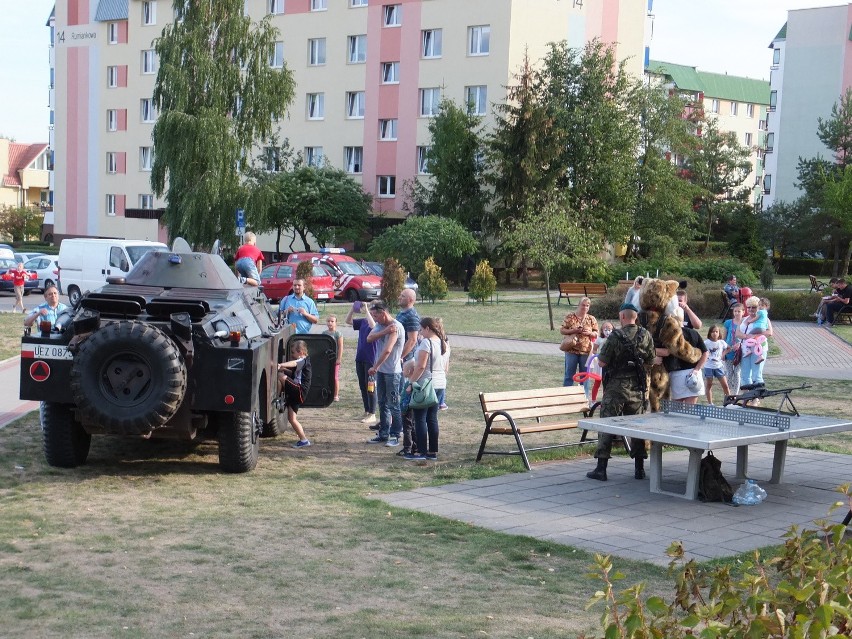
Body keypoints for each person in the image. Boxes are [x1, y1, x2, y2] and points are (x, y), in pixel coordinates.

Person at [586, 302, 655, 482]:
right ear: (636, 317)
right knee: (637, 428)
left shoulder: (615, 336)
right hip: (637, 389)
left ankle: (601, 469)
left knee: (607, 425)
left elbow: (601, 362)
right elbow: (650, 361)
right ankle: (639, 469)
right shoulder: (645, 335)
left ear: (622, 317)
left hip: (616, 388)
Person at [404, 317, 448, 462]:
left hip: (425, 384)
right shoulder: (444, 343)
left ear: (428, 328)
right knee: (432, 418)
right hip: (440, 383)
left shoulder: (426, 342)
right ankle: (432, 451)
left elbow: (421, 366)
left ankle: (421, 451)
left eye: (422, 329)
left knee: (420, 417)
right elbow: (446, 366)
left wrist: (411, 382)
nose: (421, 332)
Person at [365, 301, 404, 446]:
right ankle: (383, 433)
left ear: (383, 313)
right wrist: (384, 331)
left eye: (376, 315)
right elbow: (369, 338)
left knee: (393, 404)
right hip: (381, 371)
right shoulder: (382, 326)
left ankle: (395, 435)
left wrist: (375, 366)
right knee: (382, 403)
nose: (374, 318)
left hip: (392, 372)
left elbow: (388, 350)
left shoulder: (396, 327)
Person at [345, 301, 377, 425]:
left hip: (371, 359)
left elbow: (373, 326)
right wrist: (352, 309)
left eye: (373, 309)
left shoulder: (378, 323)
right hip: (360, 357)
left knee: (370, 386)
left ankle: (372, 413)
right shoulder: (363, 321)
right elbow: (348, 321)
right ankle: (367, 410)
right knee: (363, 385)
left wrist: (367, 311)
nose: (370, 311)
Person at [277, 340, 312, 448]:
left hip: (299, 390)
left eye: (293, 352)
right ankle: (304, 440)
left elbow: (294, 364)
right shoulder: (302, 362)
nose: (292, 355)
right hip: (297, 392)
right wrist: (284, 368)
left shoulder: (304, 360)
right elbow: (293, 373)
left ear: (301, 352)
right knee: (292, 419)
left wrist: (280, 365)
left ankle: (277, 398)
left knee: (280, 376)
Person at [560, 297, 599, 389]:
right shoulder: (570, 317)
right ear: (579, 305)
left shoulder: (591, 319)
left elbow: (596, 333)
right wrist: (574, 330)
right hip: (571, 350)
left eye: (587, 306)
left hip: (586, 351)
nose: (585, 307)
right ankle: (566, 395)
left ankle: (584, 396)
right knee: (569, 375)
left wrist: (590, 333)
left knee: (585, 376)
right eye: (583, 305)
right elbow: (562, 330)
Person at [665, 325, 708, 405]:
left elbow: (665, 352)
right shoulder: (693, 332)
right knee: (690, 412)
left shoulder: (669, 334)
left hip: (677, 374)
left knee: (676, 411)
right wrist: (697, 369)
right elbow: (705, 353)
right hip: (694, 373)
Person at [736, 296, 769, 390]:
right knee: (745, 375)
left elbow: (769, 332)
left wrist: (754, 336)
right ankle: (748, 397)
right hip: (745, 349)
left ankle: (757, 398)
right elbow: (737, 333)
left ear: (758, 307)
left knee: (756, 374)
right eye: (748, 307)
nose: (750, 309)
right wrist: (747, 336)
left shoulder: (763, 318)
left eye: (753, 307)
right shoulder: (744, 319)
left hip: (758, 349)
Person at [703, 325, 730, 405]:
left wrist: (722, 355)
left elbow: (729, 348)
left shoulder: (721, 342)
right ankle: (710, 403)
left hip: (718, 366)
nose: (714, 333)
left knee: (725, 385)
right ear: (710, 333)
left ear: (719, 333)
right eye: (712, 332)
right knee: (709, 385)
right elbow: (702, 351)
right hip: (708, 366)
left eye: (716, 332)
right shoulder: (706, 343)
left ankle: (728, 402)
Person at [722, 302, 744, 396]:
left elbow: (746, 337)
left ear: (743, 312)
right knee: (729, 373)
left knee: (737, 372)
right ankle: (729, 393)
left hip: (739, 352)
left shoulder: (745, 323)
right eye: (735, 311)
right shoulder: (728, 322)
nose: (737, 313)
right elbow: (724, 337)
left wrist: (740, 344)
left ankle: (735, 393)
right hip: (729, 351)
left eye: (739, 311)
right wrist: (723, 351)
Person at [395, 288, 421, 364]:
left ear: (410, 300)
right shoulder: (401, 313)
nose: (399, 298)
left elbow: (412, 340)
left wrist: (400, 357)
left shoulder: (412, 316)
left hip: (406, 359)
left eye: (402, 296)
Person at [323, 315, 342, 401]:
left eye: (332, 321)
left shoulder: (338, 334)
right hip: (326, 359)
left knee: (335, 377)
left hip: (335, 359)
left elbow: (340, 347)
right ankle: (327, 392)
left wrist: (339, 358)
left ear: (336, 323)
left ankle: (336, 395)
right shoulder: (324, 333)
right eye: (328, 321)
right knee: (326, 376)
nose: (330, 323)